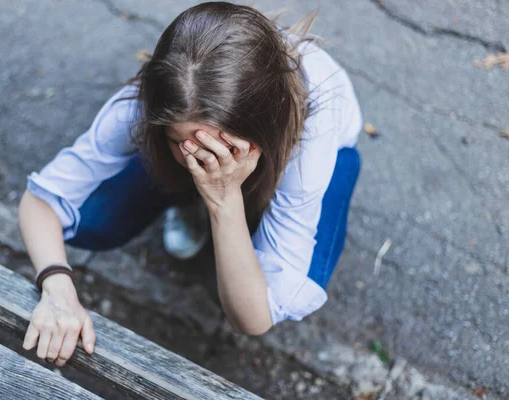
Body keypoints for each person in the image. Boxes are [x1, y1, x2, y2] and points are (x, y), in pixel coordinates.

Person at [18, 2, 362, 368]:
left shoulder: (311, 145)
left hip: (325, 151)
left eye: (223, 149)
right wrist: (56, 285)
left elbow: (253, 318)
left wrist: (224, 199)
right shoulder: (145, 104)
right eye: (183, 144)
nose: (202, 162)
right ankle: (190, 200)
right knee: (94, 217)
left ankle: (233, 210)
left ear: (263, 132)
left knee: (290, 275)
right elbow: (41, 202)